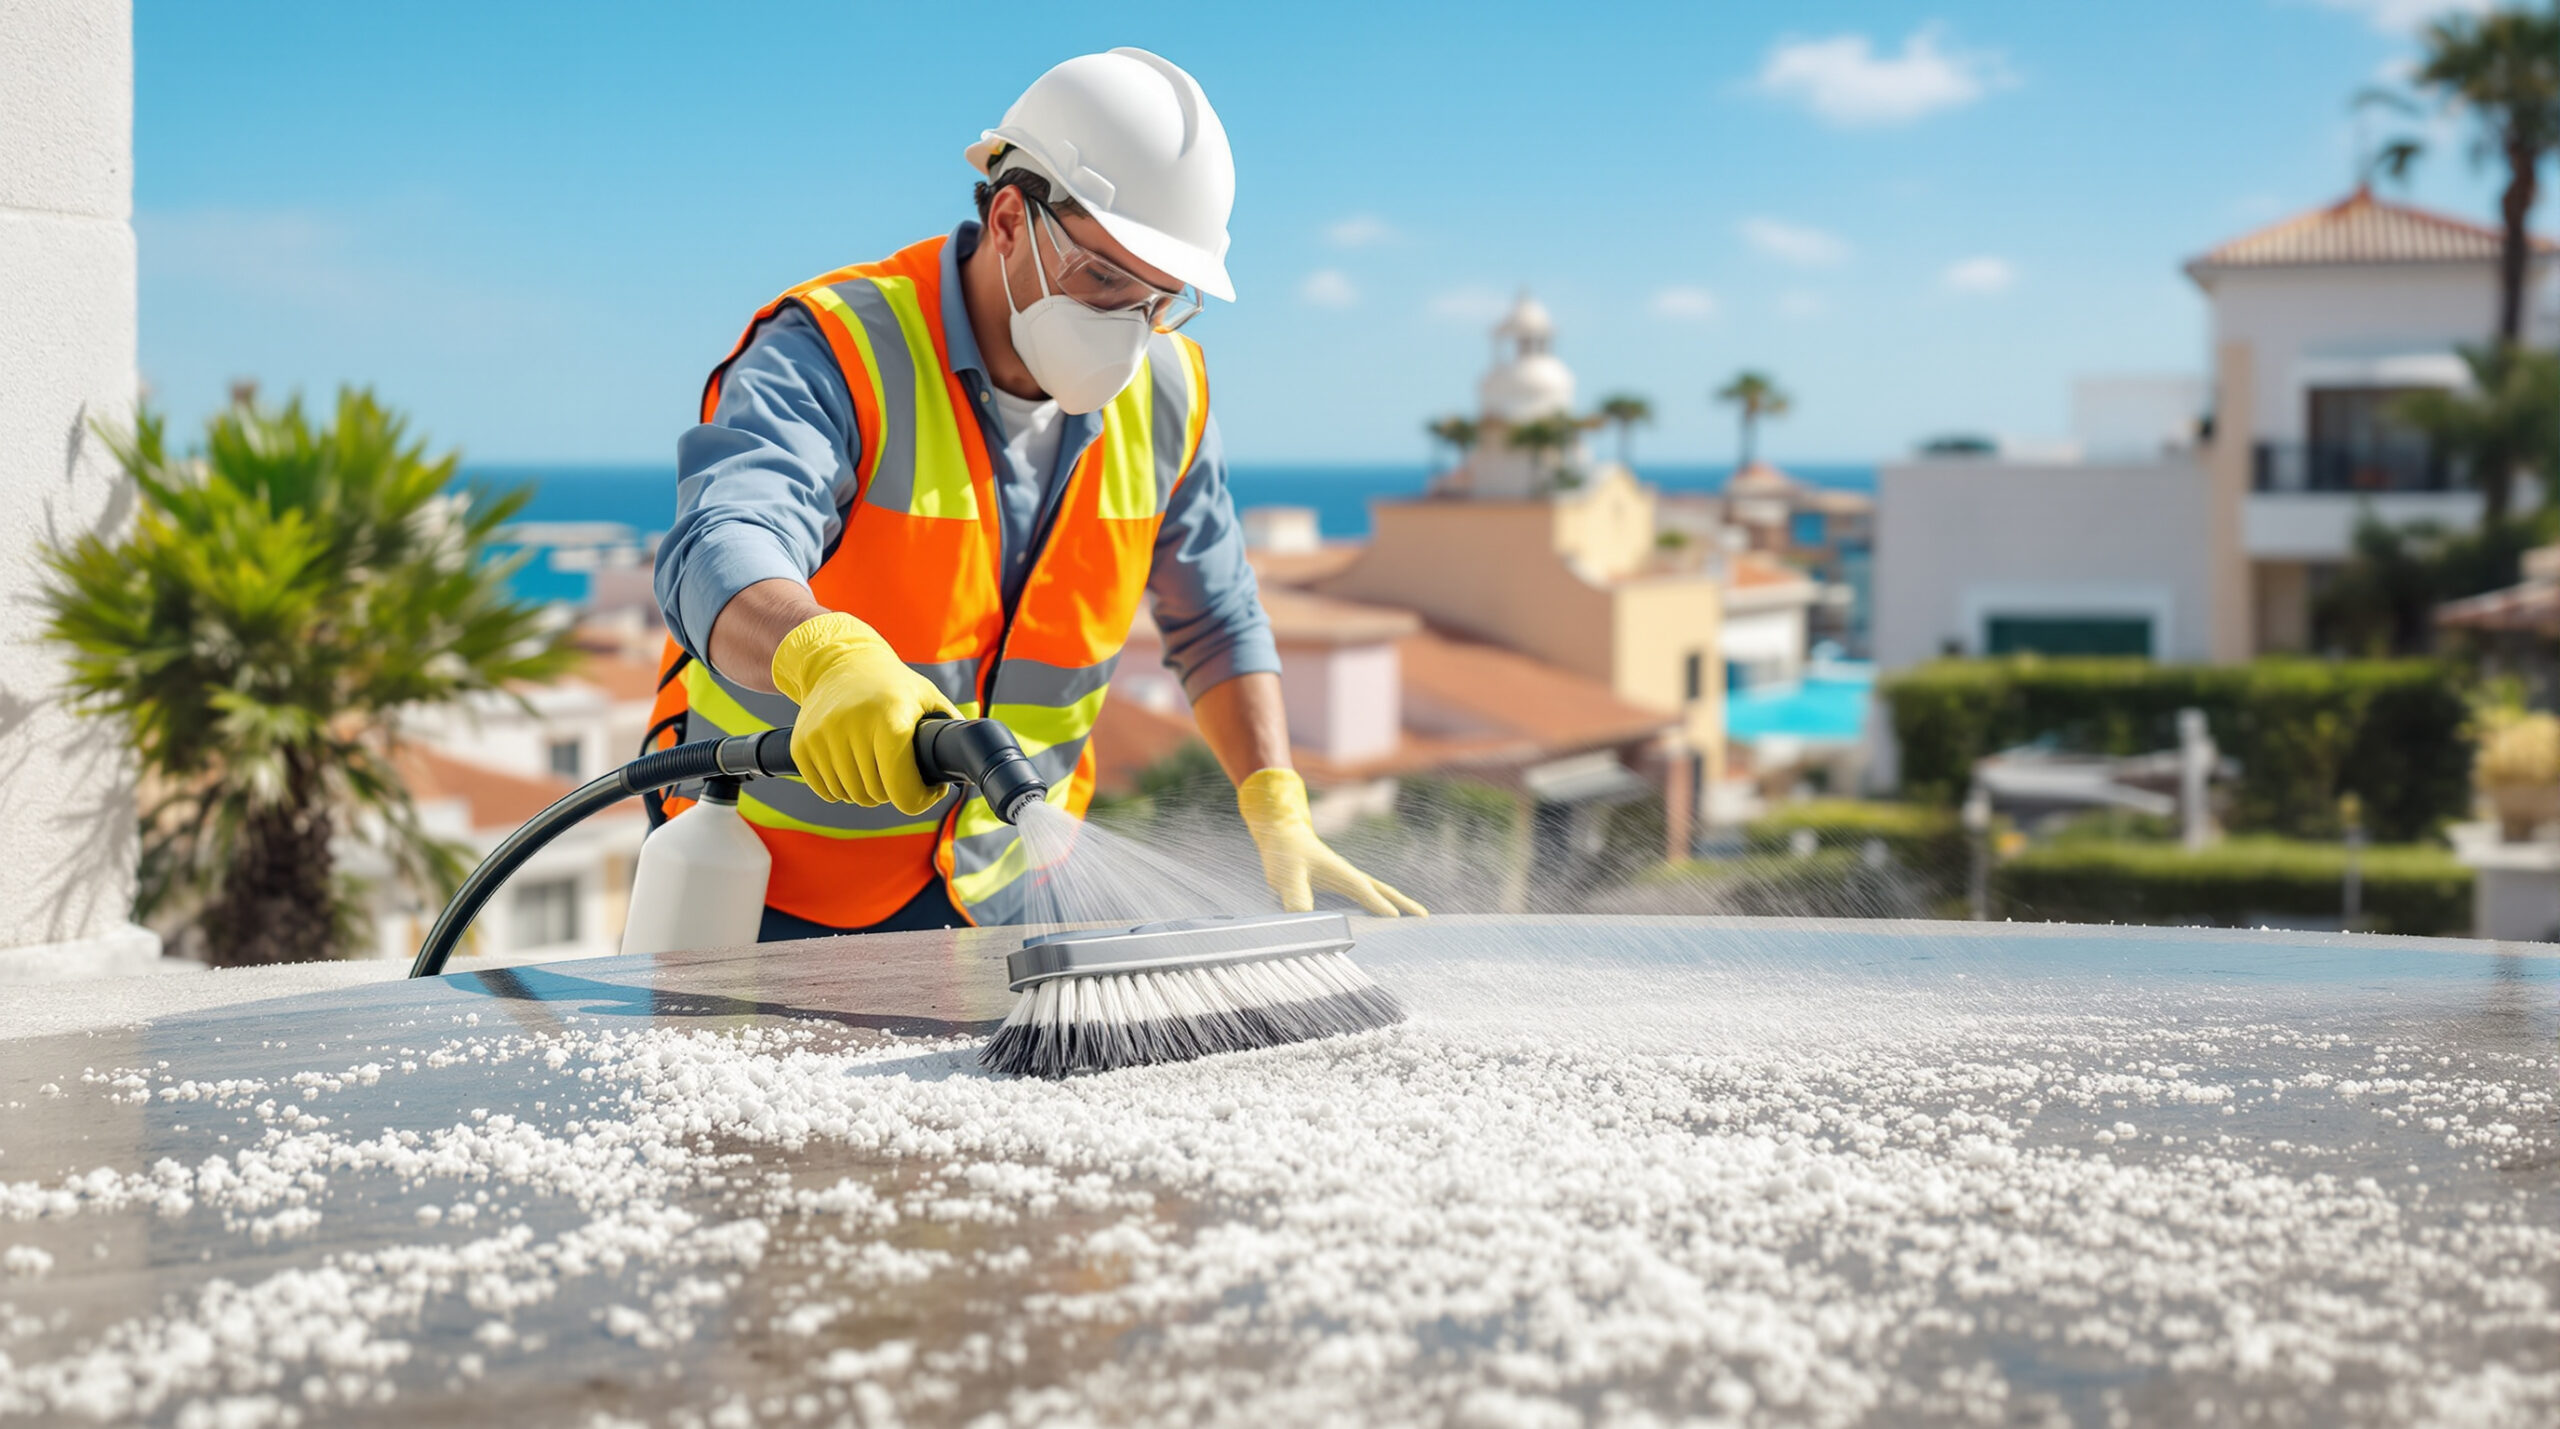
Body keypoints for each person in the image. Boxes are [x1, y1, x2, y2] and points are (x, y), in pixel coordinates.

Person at [647, 48, 1425, 939]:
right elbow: (721, 541)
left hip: (1011, 886)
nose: (1130, 329)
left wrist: (1275, 800)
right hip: (767, 880)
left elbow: (1217, 621)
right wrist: (823, 657)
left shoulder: (1170, 393)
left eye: (1160, 301)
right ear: (1011, 219)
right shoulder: (835, 346)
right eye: (1103, 278)